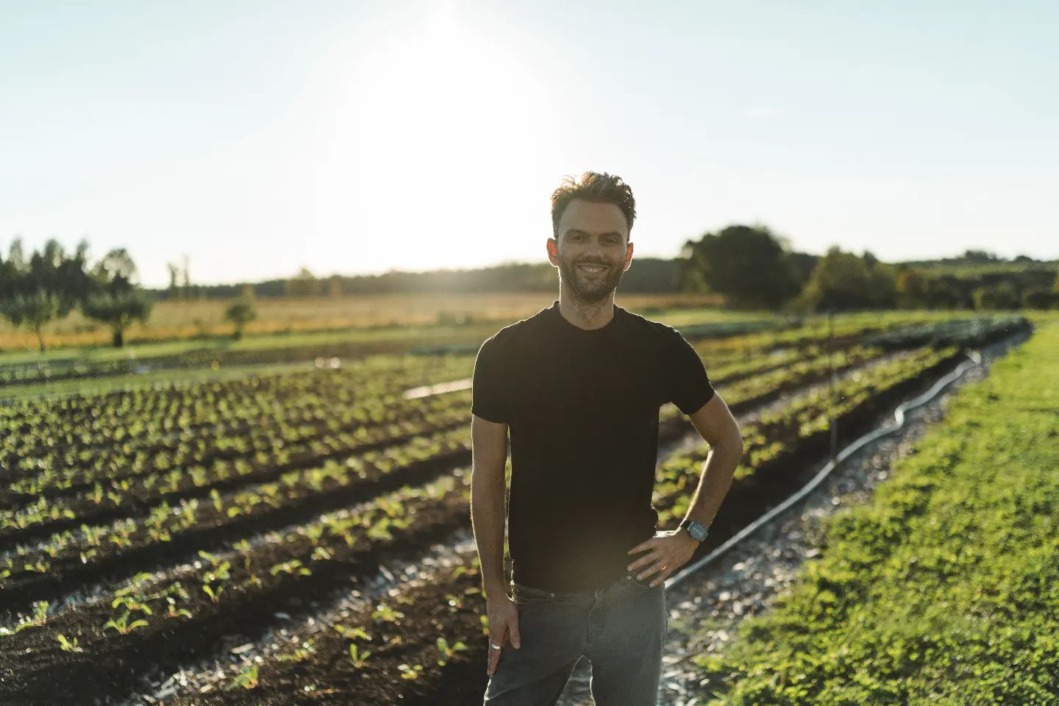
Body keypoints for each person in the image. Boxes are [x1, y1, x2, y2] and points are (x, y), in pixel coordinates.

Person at [470, 171, 743, 706]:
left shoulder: (660, 349)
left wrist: (692, 533)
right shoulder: (504, 355)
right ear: (554, 249)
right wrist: (496, 593)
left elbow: (727, 441)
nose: (593, 251)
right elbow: (485, 483)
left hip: (632, 599)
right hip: (537, 605)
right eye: (578, 237)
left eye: (608, 239)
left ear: (627, 253)